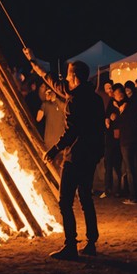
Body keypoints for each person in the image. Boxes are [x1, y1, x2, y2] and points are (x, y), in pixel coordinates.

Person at [24, 51, 104, 259]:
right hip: (91, 155)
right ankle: (91, 243)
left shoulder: (75, 100)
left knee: (65, 201)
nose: (66, 78)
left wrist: (55, 149)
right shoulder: (94, 98)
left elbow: (72, 131)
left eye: (69, 75)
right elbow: (54, 82)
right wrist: (35, 64)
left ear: (75, 77)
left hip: (76, 156)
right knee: (86, 198)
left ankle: (70, 245)